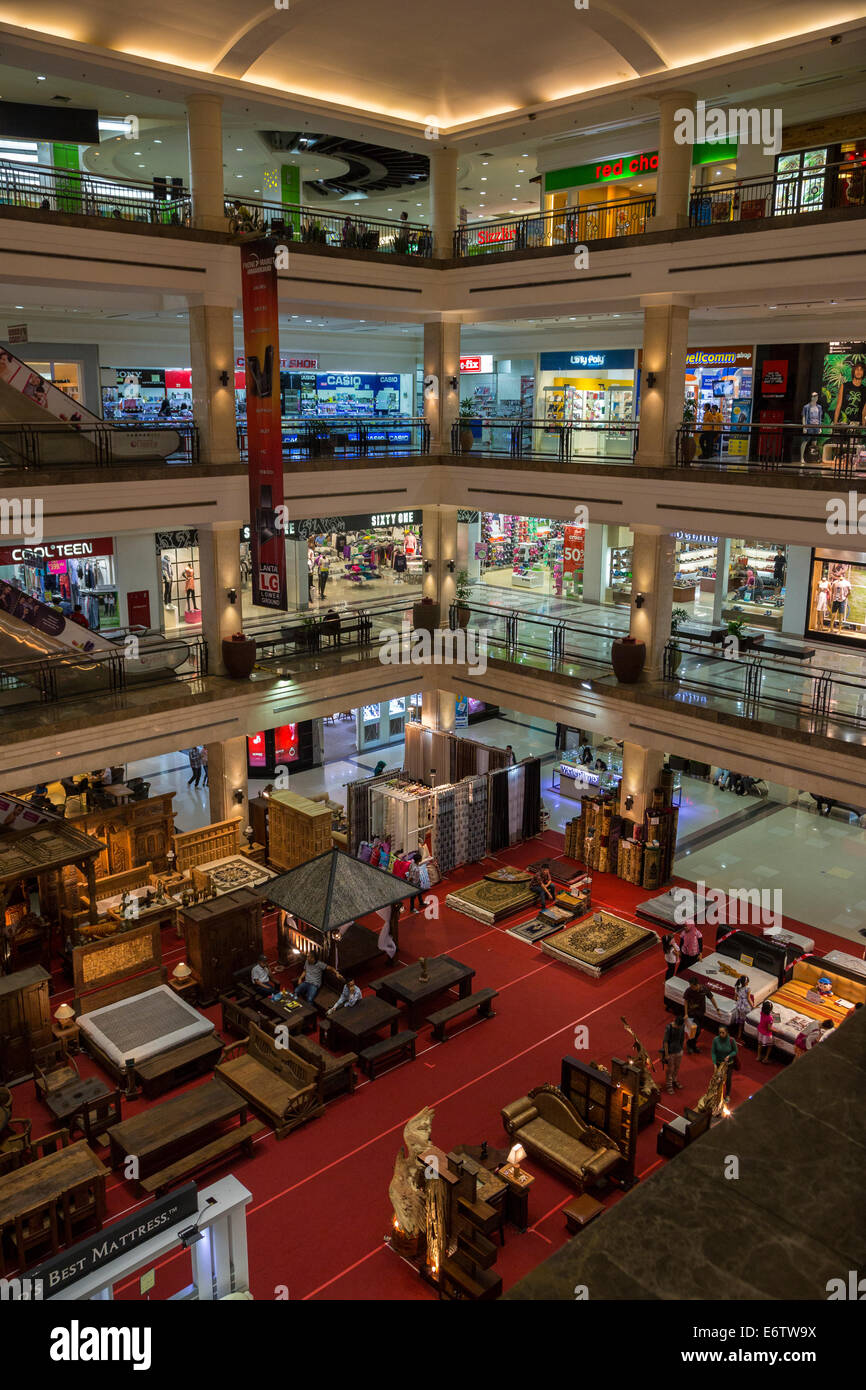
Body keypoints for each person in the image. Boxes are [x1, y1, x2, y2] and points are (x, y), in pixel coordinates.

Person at [683, 977, 714, 1053]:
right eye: (690, 985)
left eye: (692, 986)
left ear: (697, 985)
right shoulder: (689, 991)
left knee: (697, 1031)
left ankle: (692, 1045)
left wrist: (717, 1009)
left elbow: (711, 997)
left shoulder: (704, 989)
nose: (691, 987)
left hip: (701, 1013)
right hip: (692, 1013)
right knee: (696, 1030)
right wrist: (686, 1013)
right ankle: (690, 1044)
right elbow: (686, 1002)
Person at [661, 1014, 686, 1094]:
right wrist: (667, 1054)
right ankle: (669, 1085)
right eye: (677, 1026)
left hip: (679, 1050)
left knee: (677, 1067)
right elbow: (665, 1041)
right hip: (671, 1052)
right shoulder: (669, 1028)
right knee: (670, 1069)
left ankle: (674, 1080)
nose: (678, 1028)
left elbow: (682, 1037)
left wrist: (681, 1048)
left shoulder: (682, 1026)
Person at [711, 1026, 738, 1098]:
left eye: (723, 1033)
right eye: (719, 1032)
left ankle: (727, 1094)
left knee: (728, 1080)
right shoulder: (715, 1040)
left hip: (728, 1064)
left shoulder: (731, 1040)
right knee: (718, 1079)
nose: (721, 1034)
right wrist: (714, 1063)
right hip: (719, 1063)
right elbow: (713, 1052)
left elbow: (735, 1051)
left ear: (727, 1032)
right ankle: (717, 1094)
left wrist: (729, 1056)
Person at [733, 974, 754, 1042]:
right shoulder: (748, 989)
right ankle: (744, 1036)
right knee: (745, 1021)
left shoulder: (737, 987)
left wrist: (739, 1001)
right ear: (746, 983)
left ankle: (739, 1035)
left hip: (739, 1006)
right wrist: (753, 1006)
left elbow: (735, 998)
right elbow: (748, 999)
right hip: (745, 1007)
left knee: (740, 1022)